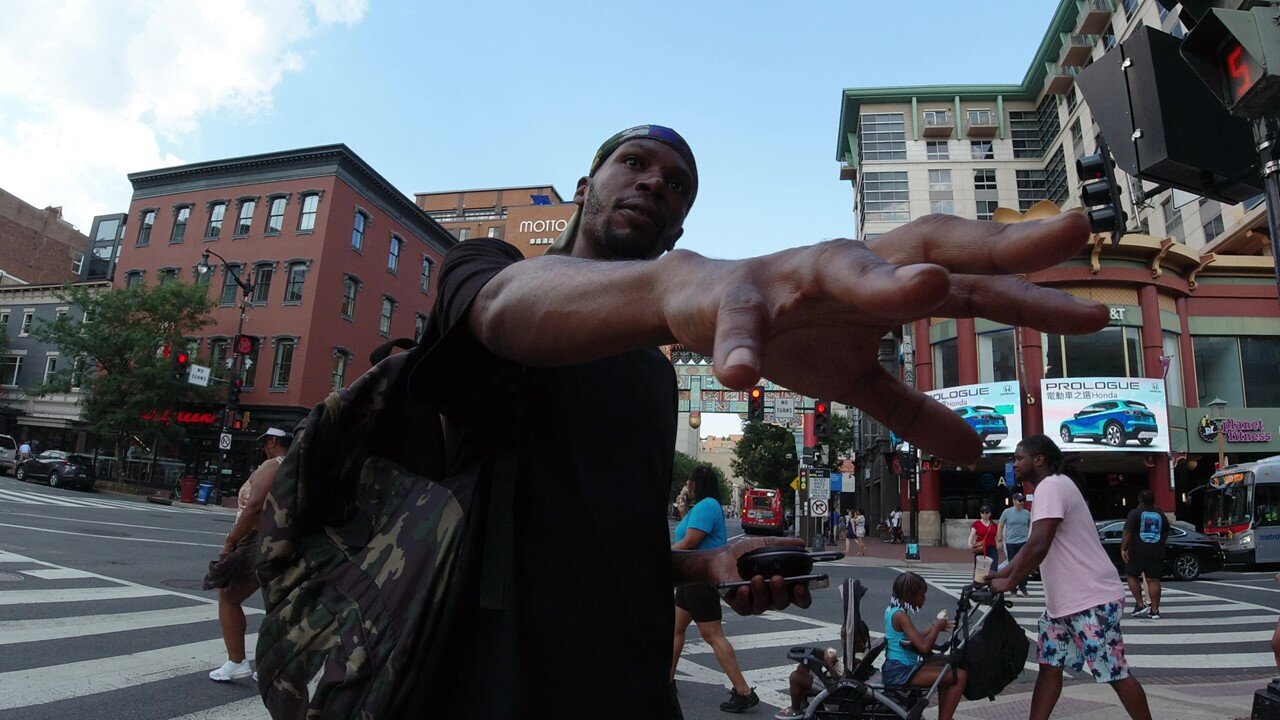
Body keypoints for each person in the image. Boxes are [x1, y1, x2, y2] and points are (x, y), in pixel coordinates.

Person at [413, 123, 1108, 718]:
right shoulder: (488, 268)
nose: (656, 182)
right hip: (482, 680)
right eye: (634, 163)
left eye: (677, 184)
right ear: (583, 186)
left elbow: (604, 545)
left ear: (679, 227)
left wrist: (707, 562)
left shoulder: (654, 377)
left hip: (627, 687)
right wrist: (680, 283)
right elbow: (504, 310)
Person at [988, 435, 1152, 720]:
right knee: (1049, 670)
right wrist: (999, 575)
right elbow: (1031, 548)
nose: (1014, 463)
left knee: (1115, 672)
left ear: (1038, 460)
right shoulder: (1051, 487)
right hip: (1062, 606)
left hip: (1091, 600)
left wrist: (1008, 582)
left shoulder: (1051, 485)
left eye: (1018, 458)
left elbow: (1040, 544)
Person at [671, 466, 758, 713]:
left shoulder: (708, 505)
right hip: (689, 578)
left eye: (689, 481)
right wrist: (683, 509)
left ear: (696, 483)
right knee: (675, 629)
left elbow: (691, 541)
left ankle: (744, 691)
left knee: (713, 635)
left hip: (701, 576)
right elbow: (688, 532)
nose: (686, 484)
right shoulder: (700, 508)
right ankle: (667, 680)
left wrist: (664, 555)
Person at [206, 427, 290, 682]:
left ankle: (236, 662)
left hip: (256, 538)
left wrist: (230, 542)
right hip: (281, 539)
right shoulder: (297, 466)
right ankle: (275, 666)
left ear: (273, 441)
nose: (263, 447)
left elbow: (253, 507)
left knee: (228, 598)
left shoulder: (272, 465)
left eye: (265, 443)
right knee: (278, 604)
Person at [882, 572, 967, 720]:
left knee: (946, 666)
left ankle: (944, 716)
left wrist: (934, 626)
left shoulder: (892, 610)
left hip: (897, 667)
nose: (924, 599)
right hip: (901, 671)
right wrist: (936, 629)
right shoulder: (901, 616)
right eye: (921, 595)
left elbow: (914, 636)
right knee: (960, 676)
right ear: (910, 595)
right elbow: (923, 647)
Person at [1122, 489, 1170, 620]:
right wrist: (1159, 543)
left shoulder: (1135, 513)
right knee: (1153, 579)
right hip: (1156, 550)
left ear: (1140, 500)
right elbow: (1166, 531)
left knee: (1131, 574)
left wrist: (1123, 548)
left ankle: (1140, 603)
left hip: (1138, 549)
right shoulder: (1160, 515)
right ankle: (1155, 610)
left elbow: (1127, 532)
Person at [996, 492, 1031, 597]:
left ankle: (1023, 586)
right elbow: (1000, 526)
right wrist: (999, 540)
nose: (1021, 503)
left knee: (1023, 565)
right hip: (1011, 542)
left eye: (1022, 501)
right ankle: (1013, 588)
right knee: (1012, 565)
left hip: (1023, 541)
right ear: (1014, 501)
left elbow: (1030, 526)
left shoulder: (1027, 513)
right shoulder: (1007, 512)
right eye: (1019, 500)